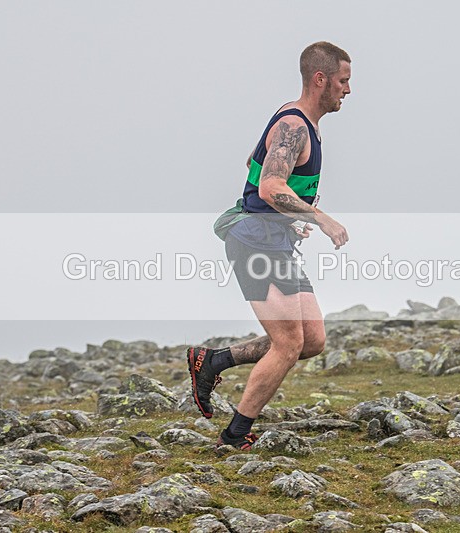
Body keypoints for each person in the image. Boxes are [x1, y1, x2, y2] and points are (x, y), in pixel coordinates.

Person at [187, 41, 352, 450]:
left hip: (275, 241)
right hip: (254, 242)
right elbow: (270, 184)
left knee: (311, 340)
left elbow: (253, 164)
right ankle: (234, 435)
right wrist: (318, 217)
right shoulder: (293, 125)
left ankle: (215, 360)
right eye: (343, 81)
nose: (347, 90)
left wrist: (291, 215)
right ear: (321, 79)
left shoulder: (299, 125)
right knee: (288, 343)